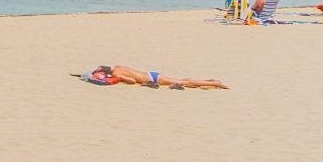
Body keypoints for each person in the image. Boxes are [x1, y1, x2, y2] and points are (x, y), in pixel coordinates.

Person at [84, 64, 227, 90]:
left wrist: (120, 79)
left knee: (184, 82)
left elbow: (132, 80)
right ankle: (208, 81)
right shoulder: (118, 66)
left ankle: (215, 83)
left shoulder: (117, 74)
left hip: (153, 79)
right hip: (151, 74)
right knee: (183, 80)